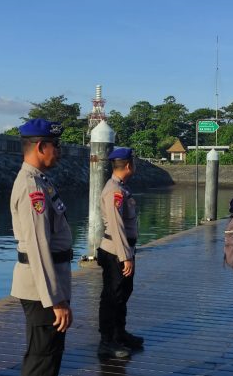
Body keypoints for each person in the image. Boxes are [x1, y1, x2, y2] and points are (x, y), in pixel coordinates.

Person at [10, 118, 73, 376]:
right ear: (40, 147)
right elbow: (38, 246)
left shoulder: (41, 181)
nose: (58, 151)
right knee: (42, 358)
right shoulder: (31, 187)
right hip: (41, 290)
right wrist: (55, 300)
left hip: (48, 283)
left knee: (50, 353)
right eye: (55, 145)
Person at [98, 147, 142, 358]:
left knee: (123, 294)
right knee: (112, 296)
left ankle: (119, 333)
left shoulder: (122, 188)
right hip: (115, 252)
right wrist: (125, 257)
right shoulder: (114, 190)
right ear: (127, 165)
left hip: (124, 250)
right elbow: (116, 227)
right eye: (133, 162)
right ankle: (107, 341)